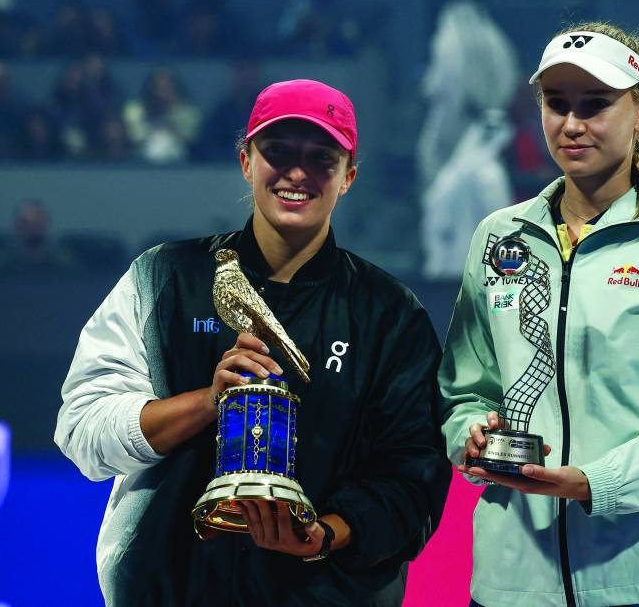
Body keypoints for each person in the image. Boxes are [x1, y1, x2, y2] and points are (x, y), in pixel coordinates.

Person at [55, 79, 450, 606]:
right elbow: (82, 432)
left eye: (321, 158)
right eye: (278, 151)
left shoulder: (388, 314)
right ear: (246, 161)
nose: (296, 173)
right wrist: (205, 402)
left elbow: (414, 480)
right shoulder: (166, 278)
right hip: (170, 591)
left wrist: (323, 534)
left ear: (348, 176)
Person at [439, 22, 639, 606]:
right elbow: (465, 392)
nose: (572, 124)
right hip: (515, 581)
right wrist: (472, 434)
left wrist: (597, 484)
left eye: (596, 105)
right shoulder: (498, 236)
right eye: (556, 104)